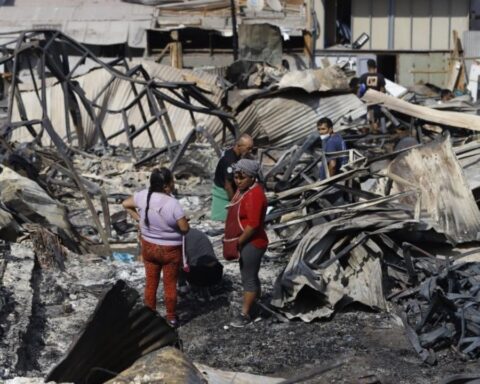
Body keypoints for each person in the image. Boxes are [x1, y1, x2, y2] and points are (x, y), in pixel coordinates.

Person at [122, 168, 189, 327]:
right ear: (166, 186)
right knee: (170, 284)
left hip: (149, 247)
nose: (174, 184)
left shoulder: (143, 195)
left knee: (151, 282)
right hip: (170, 250)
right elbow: (185, 229)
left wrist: (140, 220)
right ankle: (171, 317)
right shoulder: (173, 203)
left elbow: (125, 204)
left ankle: (149, 315)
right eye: (172, 181)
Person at [223, 159, 268, 328]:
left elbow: (253, 225)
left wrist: (238, 243)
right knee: (251, 275)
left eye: (242, 178)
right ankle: (256, 304)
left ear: (252, 177)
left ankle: (245, 314)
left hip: (253, 243)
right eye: (236, 177)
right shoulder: (246, 191)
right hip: (250, 242)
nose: (238, 181)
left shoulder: (255, 195)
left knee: (248, 278)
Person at [211, 133, 254, 221]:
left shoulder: (235, 154)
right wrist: (234, 204)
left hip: (229, 189)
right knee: (227, 220)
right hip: (223, 193)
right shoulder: (230, 160)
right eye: (248, 148)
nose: (250, 151)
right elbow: (228, 186)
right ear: (239, 146)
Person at [359, 59, 386, 131]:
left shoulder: (363, 77)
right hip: (377, 103)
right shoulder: (380, 77)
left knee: (368, 121)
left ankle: (370, 136)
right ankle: (376, 137)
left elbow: (361, 91)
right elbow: (382, 91)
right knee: (376, 121)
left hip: (367, 104)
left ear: (368, 67)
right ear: (375, 66)